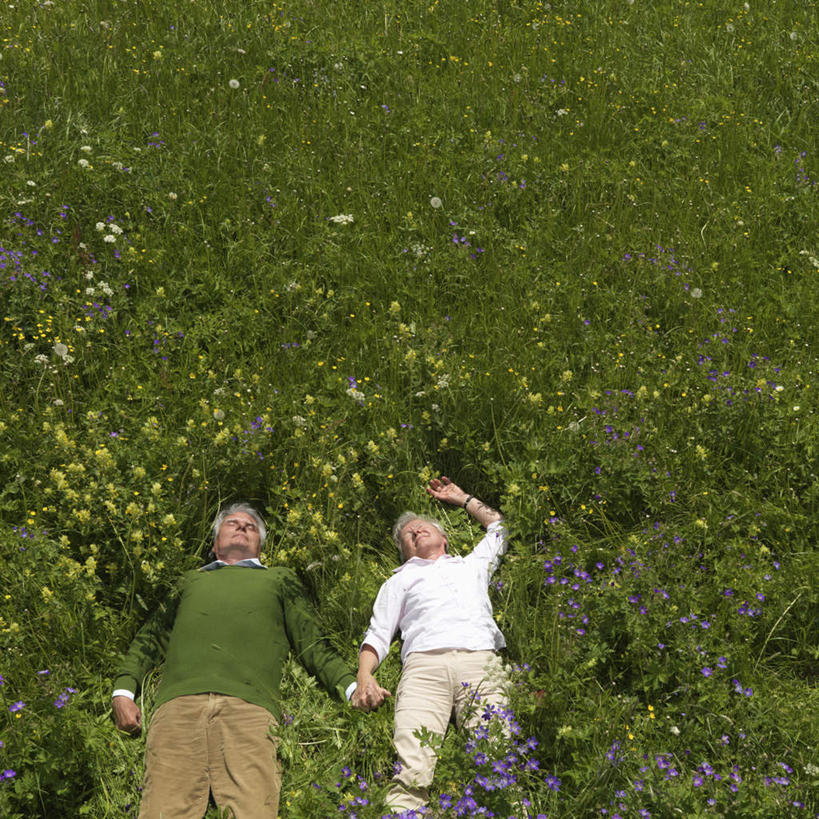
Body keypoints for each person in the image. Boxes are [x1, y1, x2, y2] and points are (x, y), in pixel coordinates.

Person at [112, 502, 387, 818]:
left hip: (251, 711)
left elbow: (313, 643)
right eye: (232, 523)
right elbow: (150, 637)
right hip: (178, 709)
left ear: (260, 547)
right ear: (215, 545)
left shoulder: (279, 579)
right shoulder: (189, 581)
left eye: (251, 526)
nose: (242, 526)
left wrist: (353, 688)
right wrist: (123, 692)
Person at [352, 476, 509, 814]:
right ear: (404, 549)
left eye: (423, 527)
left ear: (444, 538)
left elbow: (498, 527)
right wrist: (365, 677)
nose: (416, 531)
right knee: (412, 769)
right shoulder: (399, 580)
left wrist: (462, 498)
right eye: (408, 534)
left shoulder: (472, 565)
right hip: (424, 669)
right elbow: (378, 634)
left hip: (480, 660)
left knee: (498, 760)